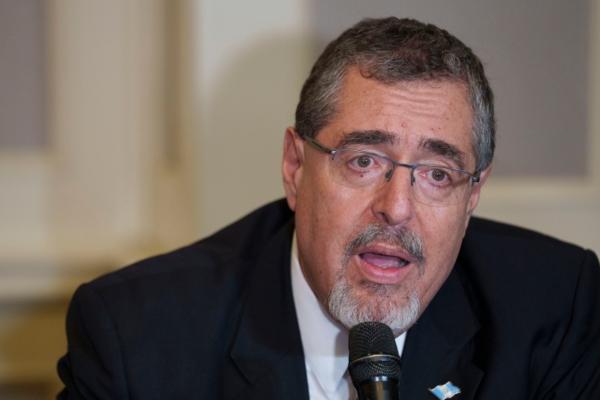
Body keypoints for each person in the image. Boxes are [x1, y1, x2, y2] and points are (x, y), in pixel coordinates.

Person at [57, 17, 600, 399]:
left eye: (438, 174)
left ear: (472, 196)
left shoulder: (552, 308)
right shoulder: (137, 335)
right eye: (364, 160)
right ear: (295, 167)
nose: (396, 208)